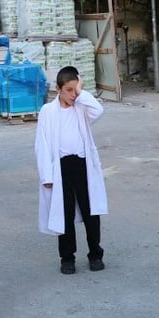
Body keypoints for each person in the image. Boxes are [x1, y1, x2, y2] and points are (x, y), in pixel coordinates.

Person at [35, 66, 107, 275]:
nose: (73, 95)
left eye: (76, 89)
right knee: (63, 213)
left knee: (91, 212)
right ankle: (67, 258)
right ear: (58, 89)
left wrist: (82, 91)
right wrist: (46, 175)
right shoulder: (48, 111)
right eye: (69, 90)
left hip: (83, 165)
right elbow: (43, 144)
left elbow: (99, 111)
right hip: (60, 167)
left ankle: (95, 254)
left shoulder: (82, 107)